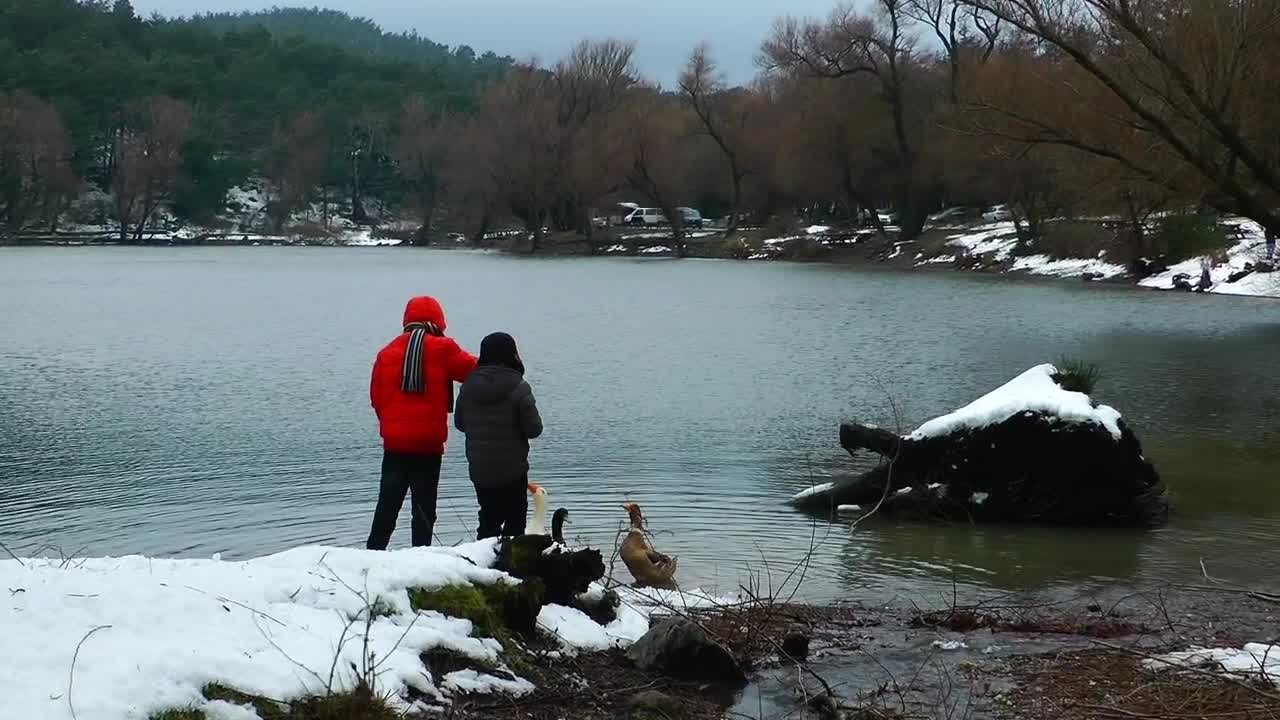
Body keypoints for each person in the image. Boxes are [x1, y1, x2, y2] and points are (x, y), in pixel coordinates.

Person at [367, 296, 477, 550]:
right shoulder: (443, 348)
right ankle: (422, 555)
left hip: (395, 443)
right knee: (424, 509)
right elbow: (474, 371)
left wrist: (391, 424)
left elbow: (376, 398)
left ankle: (372, 554)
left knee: (387, 506)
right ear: (439, 320)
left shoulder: (386, 352)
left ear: (406, 319)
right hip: (428, 444)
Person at [454, 332, 543, 540]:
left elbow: (460, 424)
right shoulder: (520, 387)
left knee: (488, 518)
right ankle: (510, 558)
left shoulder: (467, 387)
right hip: (513, 470)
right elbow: (534, 429)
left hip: (480, 469)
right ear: (513, 354)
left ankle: (482, 558)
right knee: (515, 520)